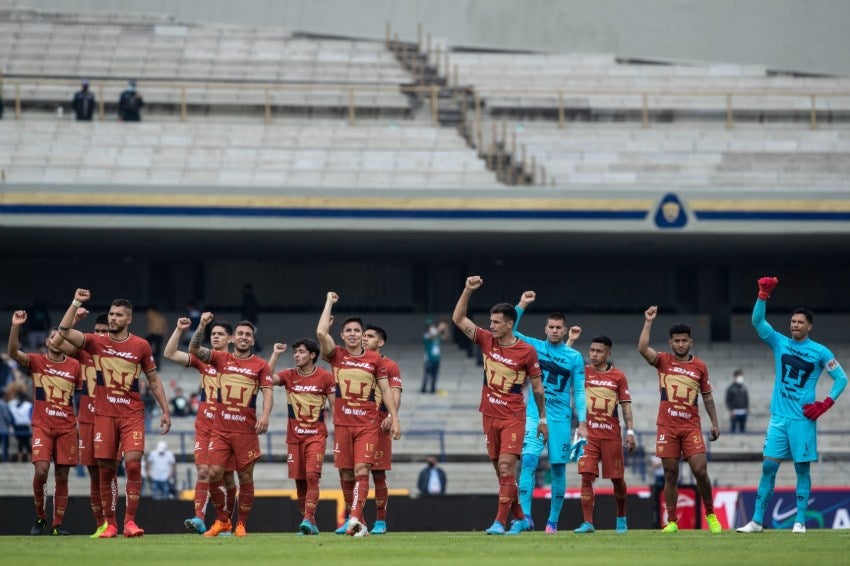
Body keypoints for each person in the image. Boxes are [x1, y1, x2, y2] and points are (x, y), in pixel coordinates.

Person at [56, 289, 172, 538]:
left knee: (132, 464)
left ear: (129, 319)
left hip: (132, 414)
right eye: (111, 314)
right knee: (105, 471)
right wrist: (76, 302)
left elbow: (153, 379)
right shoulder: (95, 342)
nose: (113, 318)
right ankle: (110, 524)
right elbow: (63, 331)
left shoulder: (141, 345)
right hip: (104, 416)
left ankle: (130, 522)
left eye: (119, 315)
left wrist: (165, 410)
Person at [737, 277, 847, 534]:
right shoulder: (779, 342)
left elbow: (841, 379)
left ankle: (799, 521)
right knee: (768, 466)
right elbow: (757, 322)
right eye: (793, 322)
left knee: (801, 469)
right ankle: (756, 521)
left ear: (809, 326)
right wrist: (762, 295)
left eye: (800, 322)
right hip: (779, 418)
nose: (795, 325)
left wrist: (825, 404)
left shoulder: (820, 352)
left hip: (803, 420)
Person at [452, 275, 546, 536]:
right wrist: (467, 290)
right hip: (488, 416)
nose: (491, 326)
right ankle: (520, 518)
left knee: (506, 467)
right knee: (501, 473)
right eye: (490, 321)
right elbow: (459, 319)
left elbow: (538, 388)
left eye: (496, 322)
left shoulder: (527, 351)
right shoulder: (485, 340)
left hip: (513, 416)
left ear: (509, 324)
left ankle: (499, 522)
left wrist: (542, 419)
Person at [316, 292, 401, 537]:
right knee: (345, 472)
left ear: (361, 336)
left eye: (357, 330)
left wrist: (394, 417)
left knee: (363, 469)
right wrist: (329, 302)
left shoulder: (375, 360)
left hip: (367, 424)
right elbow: (321, 334)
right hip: (342, 424)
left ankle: (355, 517)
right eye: (349, 331)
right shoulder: (336, 355)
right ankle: (359, 520)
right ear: (342, 335)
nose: (353, 334)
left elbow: (386, 389)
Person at [638, 305, 721, 533]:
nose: (681, 344)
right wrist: (648, 321)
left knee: (700, 471)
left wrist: (714, 422)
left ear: (690, 342)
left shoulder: (699, 366)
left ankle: (711, 514)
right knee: (670, 473)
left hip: (691, 426)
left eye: (684, 340)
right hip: (667, 426)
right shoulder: (663, 361)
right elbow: (642, 348)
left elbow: (707, 396)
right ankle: (672, 521)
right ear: (670, 343)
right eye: (677, 341)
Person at [189, 312, 273, 538]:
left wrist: (265, 416)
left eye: (248, 334)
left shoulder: (261, 366)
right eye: (240, 334)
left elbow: (268, 393)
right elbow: (194, 350)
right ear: (233, 338)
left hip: (246, 431)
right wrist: (202, 325)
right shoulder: (219, 358)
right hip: (220, 430)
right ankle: (223, 520)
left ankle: (241, 524)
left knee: (245, 478)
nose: (244, 337)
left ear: (253, 340)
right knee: (214, 473)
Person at [512, 290, 585, 534]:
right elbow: (510, 332)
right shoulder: (533, 347)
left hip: (561, 419)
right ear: (546, 328)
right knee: (529, 462)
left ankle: (552, 522)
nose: (554, 330)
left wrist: (582, 422)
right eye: (551, 327)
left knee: (558, 469)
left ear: (564, 331)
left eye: (558, 327)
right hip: (535, 415)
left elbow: (580, 392)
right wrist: (521, 305)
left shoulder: (574, 357)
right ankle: (526, 518)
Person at [8, 312, 82, 536]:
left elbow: (77, 398)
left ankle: (57, 524)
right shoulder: (37, 361)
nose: (57, 340)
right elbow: (12, 353)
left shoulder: (75, 366)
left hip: (67, 427)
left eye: (61, 337)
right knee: (41, 471)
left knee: (62, 474)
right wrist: (15, 327)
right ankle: (41, 518)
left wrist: (79, 422)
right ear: (47, 342)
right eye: (53, 337)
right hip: (42, 426)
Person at [164, 317, 238, 535]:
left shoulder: (239, 362)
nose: (215, 337)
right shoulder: (204, 359)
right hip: (205, 425)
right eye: (213, 334)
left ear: (231, 338)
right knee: (203, 471)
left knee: (226, 478)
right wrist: (178, 329)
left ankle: (226, 521)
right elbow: (169, 353)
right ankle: (199, 517)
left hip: (228, 426)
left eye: (220, 334)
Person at [50, 310, 110, 535]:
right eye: (97, 331)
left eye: (104, 331)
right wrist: (75, 320)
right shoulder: (84, 354)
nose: (100, 334)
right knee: (94, 473)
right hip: (86, 419)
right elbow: (56, 342)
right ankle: (101, 524)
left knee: (108, 471)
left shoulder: (121, 355)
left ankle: (112, 522)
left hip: (112, 417)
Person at [268, 338, 335, 536]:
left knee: (312, 476)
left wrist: (338, 430)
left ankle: (307, 519)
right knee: (300, 480)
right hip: (294, 437)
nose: (296, 355)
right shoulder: (288, 375)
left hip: (316, 435)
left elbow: (335, 406)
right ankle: (310, 522)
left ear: (313, 355)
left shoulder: (326, 377)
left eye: (301, 352)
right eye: (295, 352)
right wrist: (275, 354)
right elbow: (267, 379)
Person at [575, 335, 636, 534]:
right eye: (592, 350)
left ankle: (621, 518)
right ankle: (587, 523)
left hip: (611, 435)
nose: (593, 354)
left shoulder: (618, 376)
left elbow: (625, 406)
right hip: (589, 434)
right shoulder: (582, 373)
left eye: (599, 351)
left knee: (617, 480)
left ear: (608, 353)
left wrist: (630, 431)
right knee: (586, 476)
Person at [362, 325, 403, 535]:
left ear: (381, 342)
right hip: (355, 425)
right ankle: (355, 519)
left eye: (369, 336)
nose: (364, 339)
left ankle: (380, 521)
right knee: (351, 473)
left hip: (378, 426)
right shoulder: (354, 362)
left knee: (377, 474)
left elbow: (395, 393)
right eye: (363, 335)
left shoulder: (390, 365)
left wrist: (390, 415)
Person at [421, 319, 448, 394]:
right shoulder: (426, 335)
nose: (432, 328)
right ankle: (423, 389)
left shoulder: (437, 336)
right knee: (427, 375)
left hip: (436, 359)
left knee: (435, 376)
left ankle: (432, 389)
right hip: (428, 359)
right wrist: (439, 329)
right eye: (430, 327)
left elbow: (445, 337)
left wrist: (445, 328)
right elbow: (432, 336)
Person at [7, 383, 33, 462]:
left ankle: (20, 461)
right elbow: (30, 417)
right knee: (26, 445)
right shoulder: (28, 405)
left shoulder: (12, 404)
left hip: (16, 427)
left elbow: (11, 417)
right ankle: (28, 461)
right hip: (25, 426)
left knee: (21, 444)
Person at [725, 369, 749, 433]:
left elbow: (746, 399)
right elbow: (728, 400)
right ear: (734, 377)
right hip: (734, 412)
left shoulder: (744, 387)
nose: (741, 377)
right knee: (733, 429)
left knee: (743, 430)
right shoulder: (730, 388)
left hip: (743, 412)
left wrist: (747, 409)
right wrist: (731, 410)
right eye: (739, 376)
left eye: (741, 376)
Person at [145, 305, 168, 369]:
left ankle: (152, 358)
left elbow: (149, 323)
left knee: (147, 347)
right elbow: (165, 327)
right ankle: (156, 365)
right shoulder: (161, 317)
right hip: (159, 335)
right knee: (157, 350)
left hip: (154, 334)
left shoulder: (150, 313)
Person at [241, 283, 262, 352]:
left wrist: (246, 319)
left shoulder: (249, 299)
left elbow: (249, 311)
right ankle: (256, 348)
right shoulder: (250, 298)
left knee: (249, 334)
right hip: (250, 319)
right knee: (249, 334)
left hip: (250, 319)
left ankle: (256, 348)